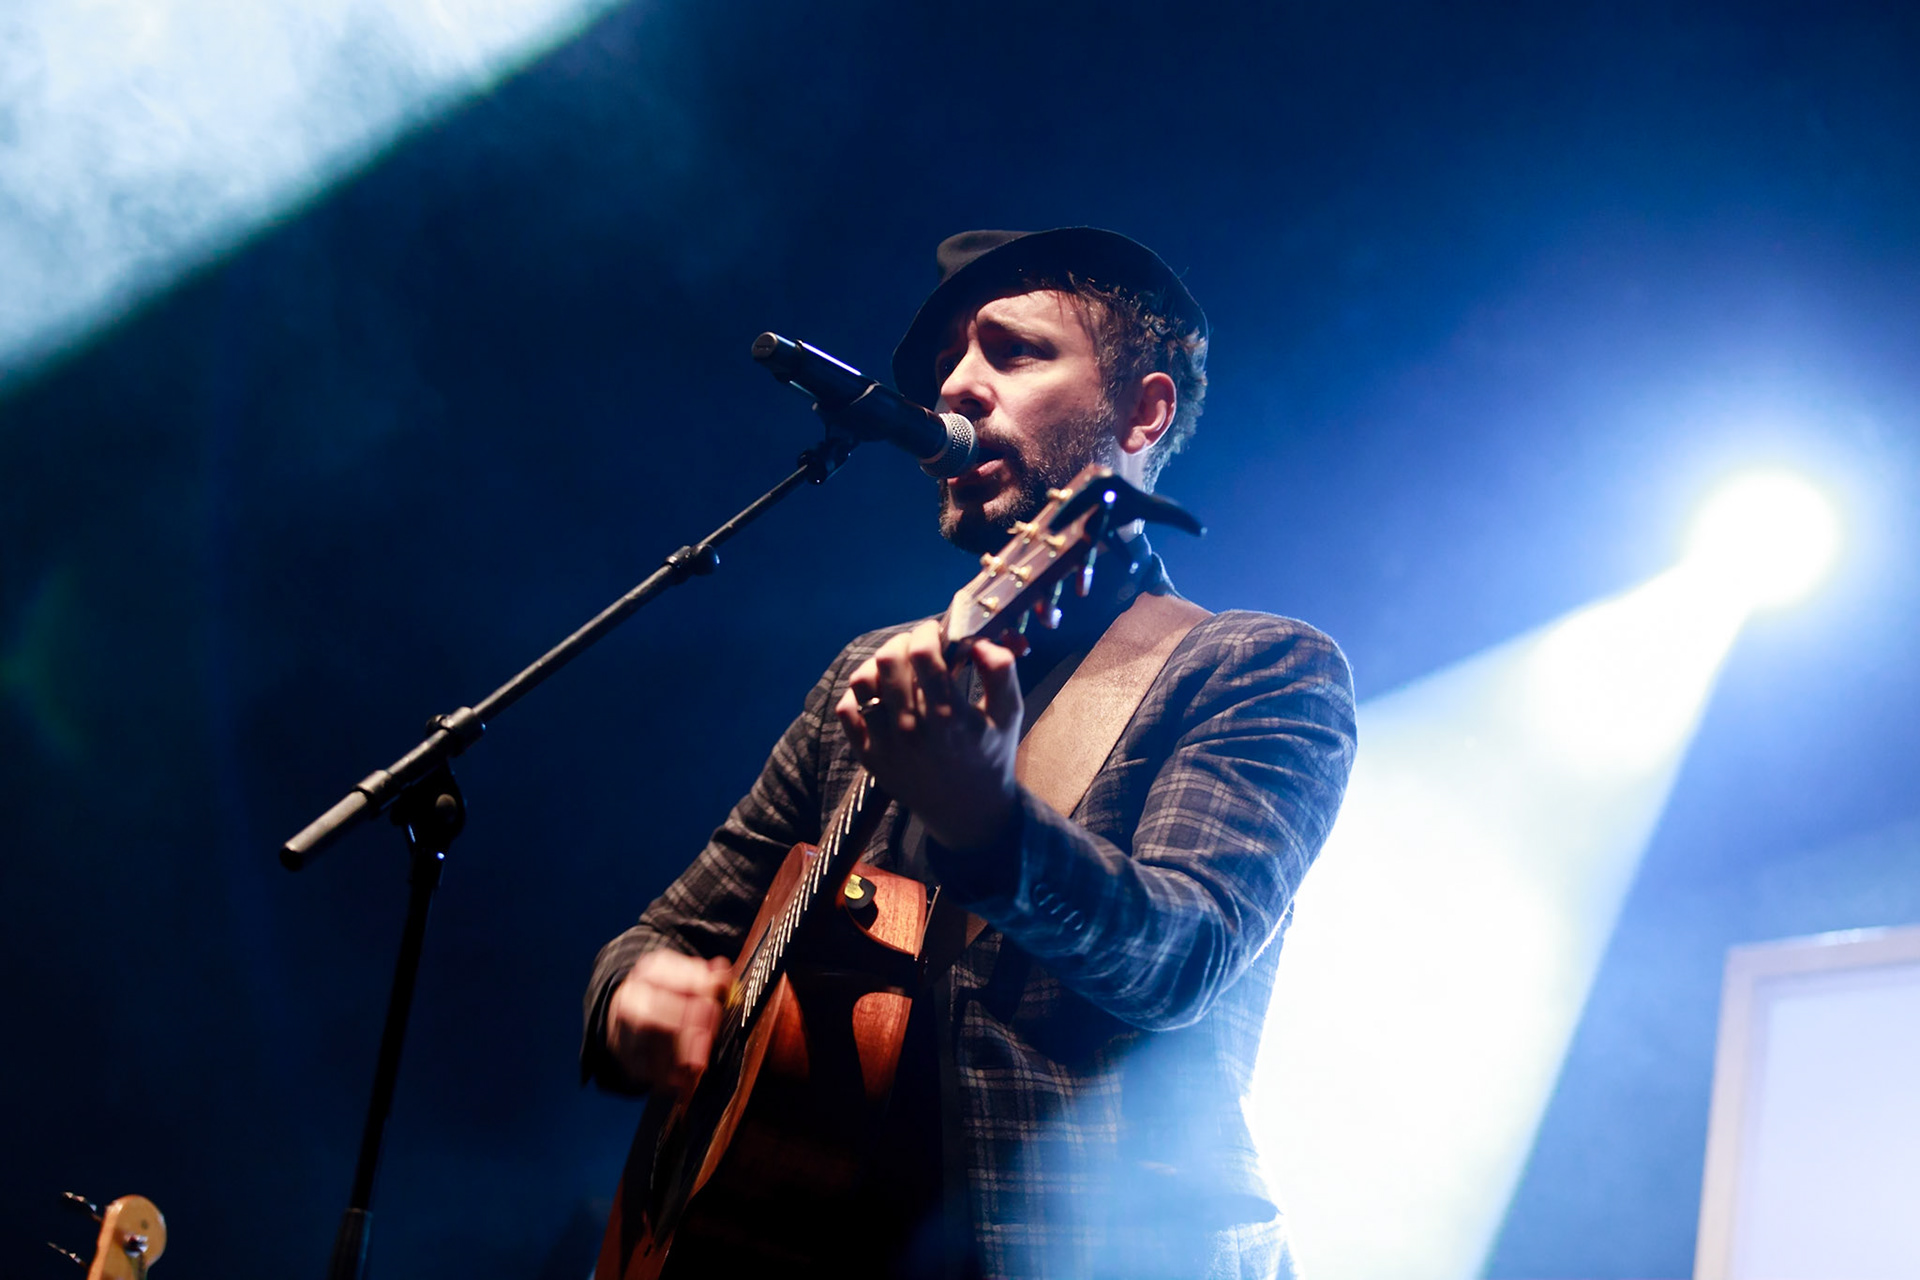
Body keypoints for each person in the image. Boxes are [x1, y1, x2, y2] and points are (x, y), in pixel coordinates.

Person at [583, 228, 1357, 1279]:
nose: (955, 387)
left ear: (1143, 412)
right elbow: (662, 938)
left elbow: (1178, 960)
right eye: (949, 361)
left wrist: (985, 823)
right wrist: (635, 999)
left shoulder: (1253, 668)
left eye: (1015, 350)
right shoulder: (870, 675)